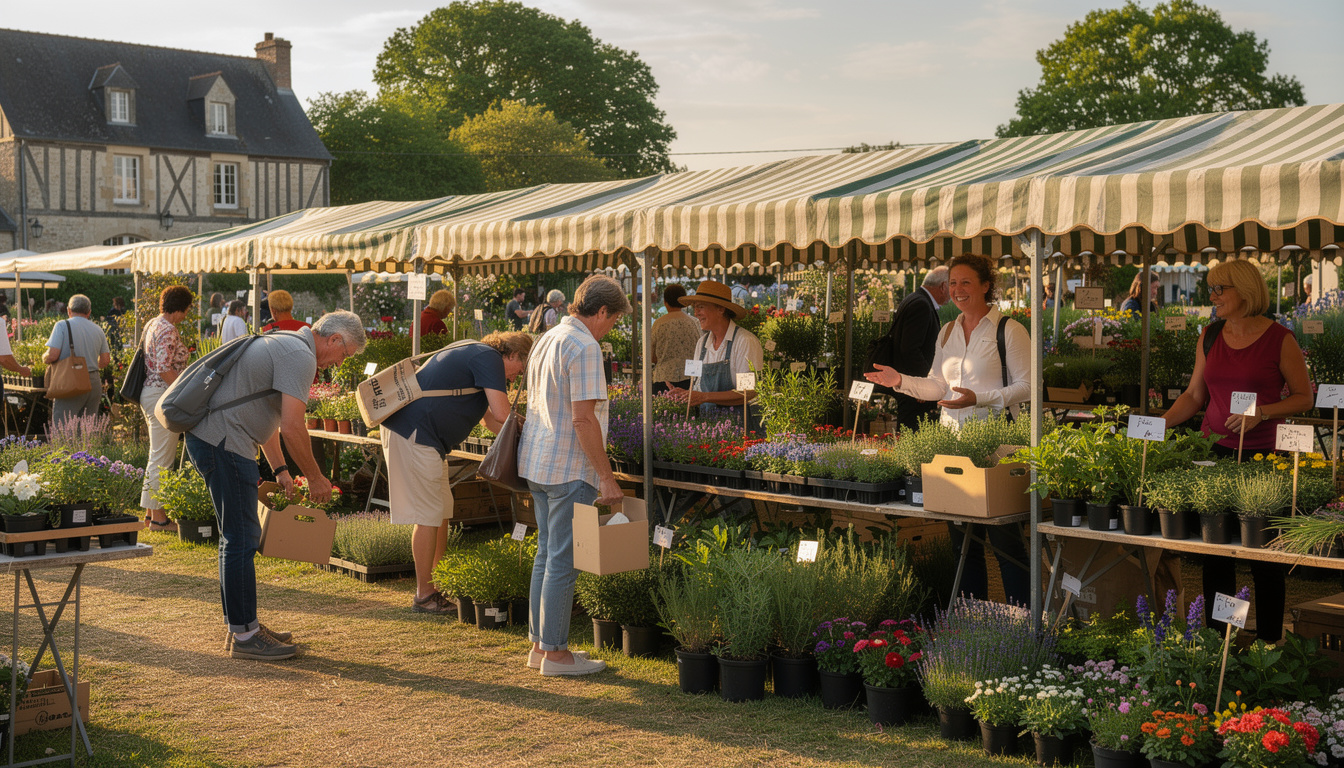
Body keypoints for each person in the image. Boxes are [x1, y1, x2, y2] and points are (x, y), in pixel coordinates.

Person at [186, 311, 365, 660]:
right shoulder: (300, 356)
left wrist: (281, 469)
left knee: (237, 537)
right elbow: (292, 427)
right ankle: (245, 635)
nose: (339, 363)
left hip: (218, 440)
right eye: (345, 355)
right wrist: (315, 477)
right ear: (335, 340)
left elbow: (265, 415)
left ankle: (243, 625)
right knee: (241, 539)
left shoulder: (287, 344)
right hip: (224, 443)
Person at [864, 254, 1032, 606]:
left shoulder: (1010, 329)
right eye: (953, 283)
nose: (957, 290)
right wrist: (900, 382)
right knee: (963, 546)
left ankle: (1021, 625)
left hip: (996, 450)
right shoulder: (948, 330)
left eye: (966, 282)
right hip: (953, 450)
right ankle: (971, 620)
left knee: (1006, 544)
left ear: (987, 286)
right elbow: (937, 387)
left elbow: (1029, 386)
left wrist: (980, 399)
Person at [1162, 259, 1312, 643]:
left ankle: (1268, 642)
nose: (1211, 297)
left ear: (1244, 291)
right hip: (1215, 454)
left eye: (1218, 289)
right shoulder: (1210, 335)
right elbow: (1196, 395)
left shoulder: (1280, 338)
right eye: (1210, 289)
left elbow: (1303, 397)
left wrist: (1262, 413)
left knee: (1262, 556)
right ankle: (1221, 637)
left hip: (1263, 459)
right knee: (1216, 552)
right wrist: (1157, 425)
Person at [519, 275, 630, 677]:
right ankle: (556, 654)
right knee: (562, 560)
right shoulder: (585, 346)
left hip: (538, 461)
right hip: (568, 465)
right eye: (613, 320)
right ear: (601, 311)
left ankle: (540, 645)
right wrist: (607, 476)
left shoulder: (549, 337)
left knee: (547, 554)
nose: (611, 327)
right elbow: (584, 421)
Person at [380, 332, 533, 614]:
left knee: (441, 512)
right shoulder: (487, 357)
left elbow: (490, 421)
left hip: (426, 439)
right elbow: (502, 414)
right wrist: (536, 433)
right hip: (414, 434)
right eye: (520, 369)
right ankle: (424, 596)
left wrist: (523, 438)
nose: (515, 378)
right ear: (512, 355)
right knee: (427, 515)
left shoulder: (478, 355)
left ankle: (437, 584)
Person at [665, 280, 765, 428]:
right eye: (695, 308)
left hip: (742, 430)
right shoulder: (702, 344)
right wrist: (687, 394)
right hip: (710, 429)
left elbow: (749, 392)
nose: (696, 313)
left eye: (700, 307)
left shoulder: (744, 341)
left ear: (720, 309)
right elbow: (698, 385)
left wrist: (704, 397)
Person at [140, 286, 193, 532]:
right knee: (163, 458)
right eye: (187, 310)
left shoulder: (153, 323)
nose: (187, 315)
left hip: (150, 393)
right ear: (181, 308)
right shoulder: (168, 330)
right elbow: (163, 367)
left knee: (156, 455)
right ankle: (160, 519)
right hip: (162, 395)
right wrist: (181, 390)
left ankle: (151, 514)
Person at [876, 266, 949, 432]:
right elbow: (910, 349)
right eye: (952, 285)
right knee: (913, 433)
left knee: (911, 433)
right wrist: (922, 383)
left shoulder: (915, 299)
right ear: (943, 286)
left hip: (910, 384)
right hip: (914, 391)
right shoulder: (921, 304)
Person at [43, 294, 111, 424]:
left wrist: (44, 358)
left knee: (63, 428)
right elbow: (105, 361)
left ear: (69, 310)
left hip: (70, 380)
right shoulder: (98, 329)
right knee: (87, 430)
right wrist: (88, 366)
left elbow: (52, 355)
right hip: (94, 381)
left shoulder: (62, 326)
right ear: (89, 312)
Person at [651, 284, 701, 395]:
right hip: (691, 378)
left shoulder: (658, 324)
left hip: (663, 378)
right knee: (690, 412)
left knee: (663, 412)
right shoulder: (695, 323)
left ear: (665, 302)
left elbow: (651, 356)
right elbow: (701, 352)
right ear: (684, 302)